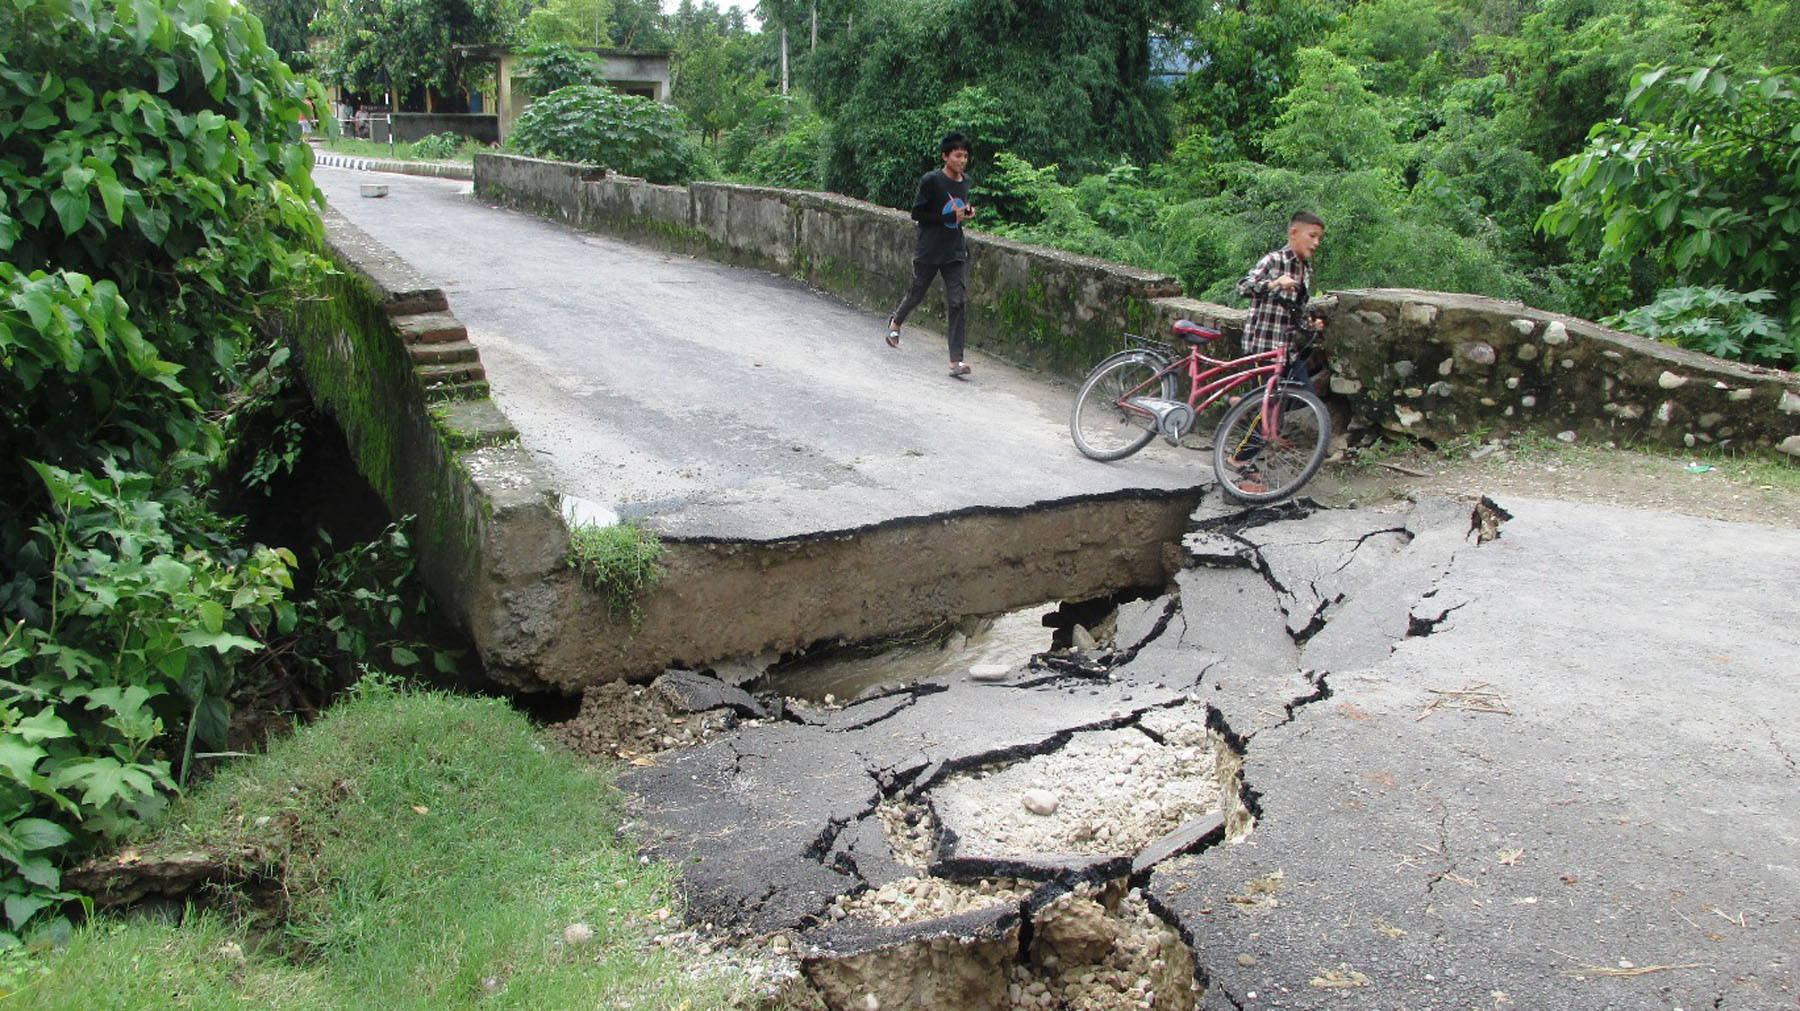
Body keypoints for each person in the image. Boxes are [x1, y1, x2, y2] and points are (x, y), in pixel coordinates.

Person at [1229, 210, 1326, 491]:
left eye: (1319, 238)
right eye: (1312, 236)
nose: (1316, 243)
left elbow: (1296, 310)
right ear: (1294, 233)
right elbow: (1244, 287)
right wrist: (1274, 283)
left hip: (1287, 349)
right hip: (1263, 346)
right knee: (1268, 405)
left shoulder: (1305, 270)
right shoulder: (1274, 260)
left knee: (1303, 396)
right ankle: (1239, 460)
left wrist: (1311, 323)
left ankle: (1242, 404)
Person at [886, 132, 977, 378]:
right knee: (916, 293)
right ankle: (896, 322)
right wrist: (949, 216)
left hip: (955, 250)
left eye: (965, 156)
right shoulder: (931, 181)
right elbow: (917, 214)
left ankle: (956, 361)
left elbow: (959, 208)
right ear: (945, 156)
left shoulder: (965, 182)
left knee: (958, 302)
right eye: (958, 155)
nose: (962, 160)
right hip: (929, 249)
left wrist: (967, 211)